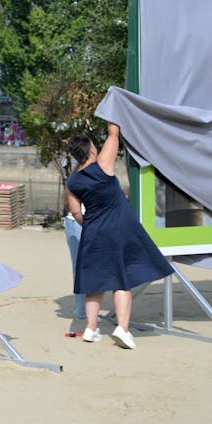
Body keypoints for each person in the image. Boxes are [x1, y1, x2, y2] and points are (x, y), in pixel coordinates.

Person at [64, 120, 174, 349]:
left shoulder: (72, 181)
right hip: (120, 227)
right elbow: (114, 132)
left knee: (94, 282)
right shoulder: (103, 164)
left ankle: (90, 328)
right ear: (92, 149)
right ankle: (122, 329)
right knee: (121, 279)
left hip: (93, 231)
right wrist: (114, 109)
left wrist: (92, 224)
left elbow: (75, 212)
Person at [63, 196, 87, 322]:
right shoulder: (80, 179)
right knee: (81, 269)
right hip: (78, 223)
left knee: (81, 269)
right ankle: (82, 311)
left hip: (76, 222)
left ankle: (82, 310)